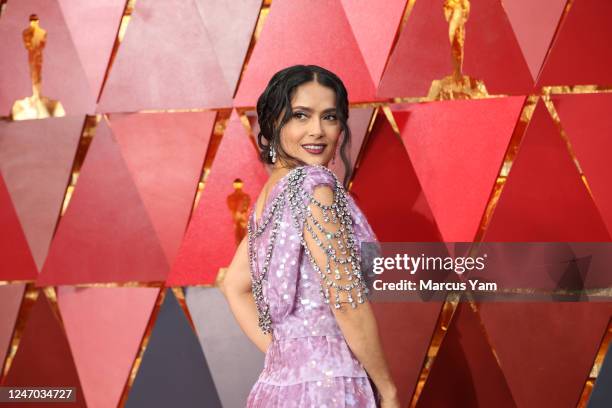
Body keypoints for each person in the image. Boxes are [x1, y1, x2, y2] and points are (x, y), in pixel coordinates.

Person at [221, 65, 399, 408]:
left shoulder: (270, 197)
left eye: (330, 117)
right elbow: (346, 297)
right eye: (301, 116)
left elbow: (233, 285)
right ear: (274, 123)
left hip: (276, 388)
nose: (317, 130)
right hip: (329, 390)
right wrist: (387, 389)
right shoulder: (312, 187)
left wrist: (286, 354)